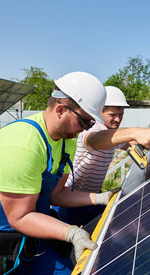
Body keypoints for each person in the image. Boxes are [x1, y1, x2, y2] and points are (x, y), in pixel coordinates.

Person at [0, 72, 150, 275]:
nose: (87, 128)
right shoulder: (23, 144)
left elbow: (56, 195)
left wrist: (100, 197)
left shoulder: (64, 142)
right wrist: (72, 233)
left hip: (30, 235)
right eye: (85, 121)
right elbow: (19, 216)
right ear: (61, 109)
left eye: (91, 122)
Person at [54, 86, 132, 226]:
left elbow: (127, 143)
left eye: (121, 114)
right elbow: (94, 139)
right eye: (113, 114)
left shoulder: (111, 134)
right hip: (69, 199)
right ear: (99, 112)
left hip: (93, 197)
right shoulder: (92, 129)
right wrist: (134, 132)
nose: (118, 119)